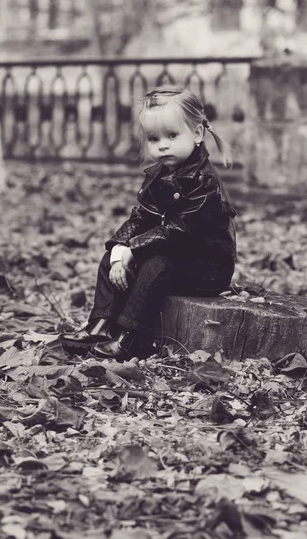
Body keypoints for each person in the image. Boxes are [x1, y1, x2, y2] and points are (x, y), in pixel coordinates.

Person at [74, 85, 237, 361]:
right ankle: (101, 325)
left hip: (207, 267)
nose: (162, 145)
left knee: (155, 265)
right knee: (109, 259)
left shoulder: (203, 183)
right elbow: (141, 216)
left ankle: (132, 338)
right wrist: (119, 247)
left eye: (172, 135)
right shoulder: (159, 175)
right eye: (153, 138)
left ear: (197, 134)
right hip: (174, 254)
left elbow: (180, 231)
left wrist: (134, 250)